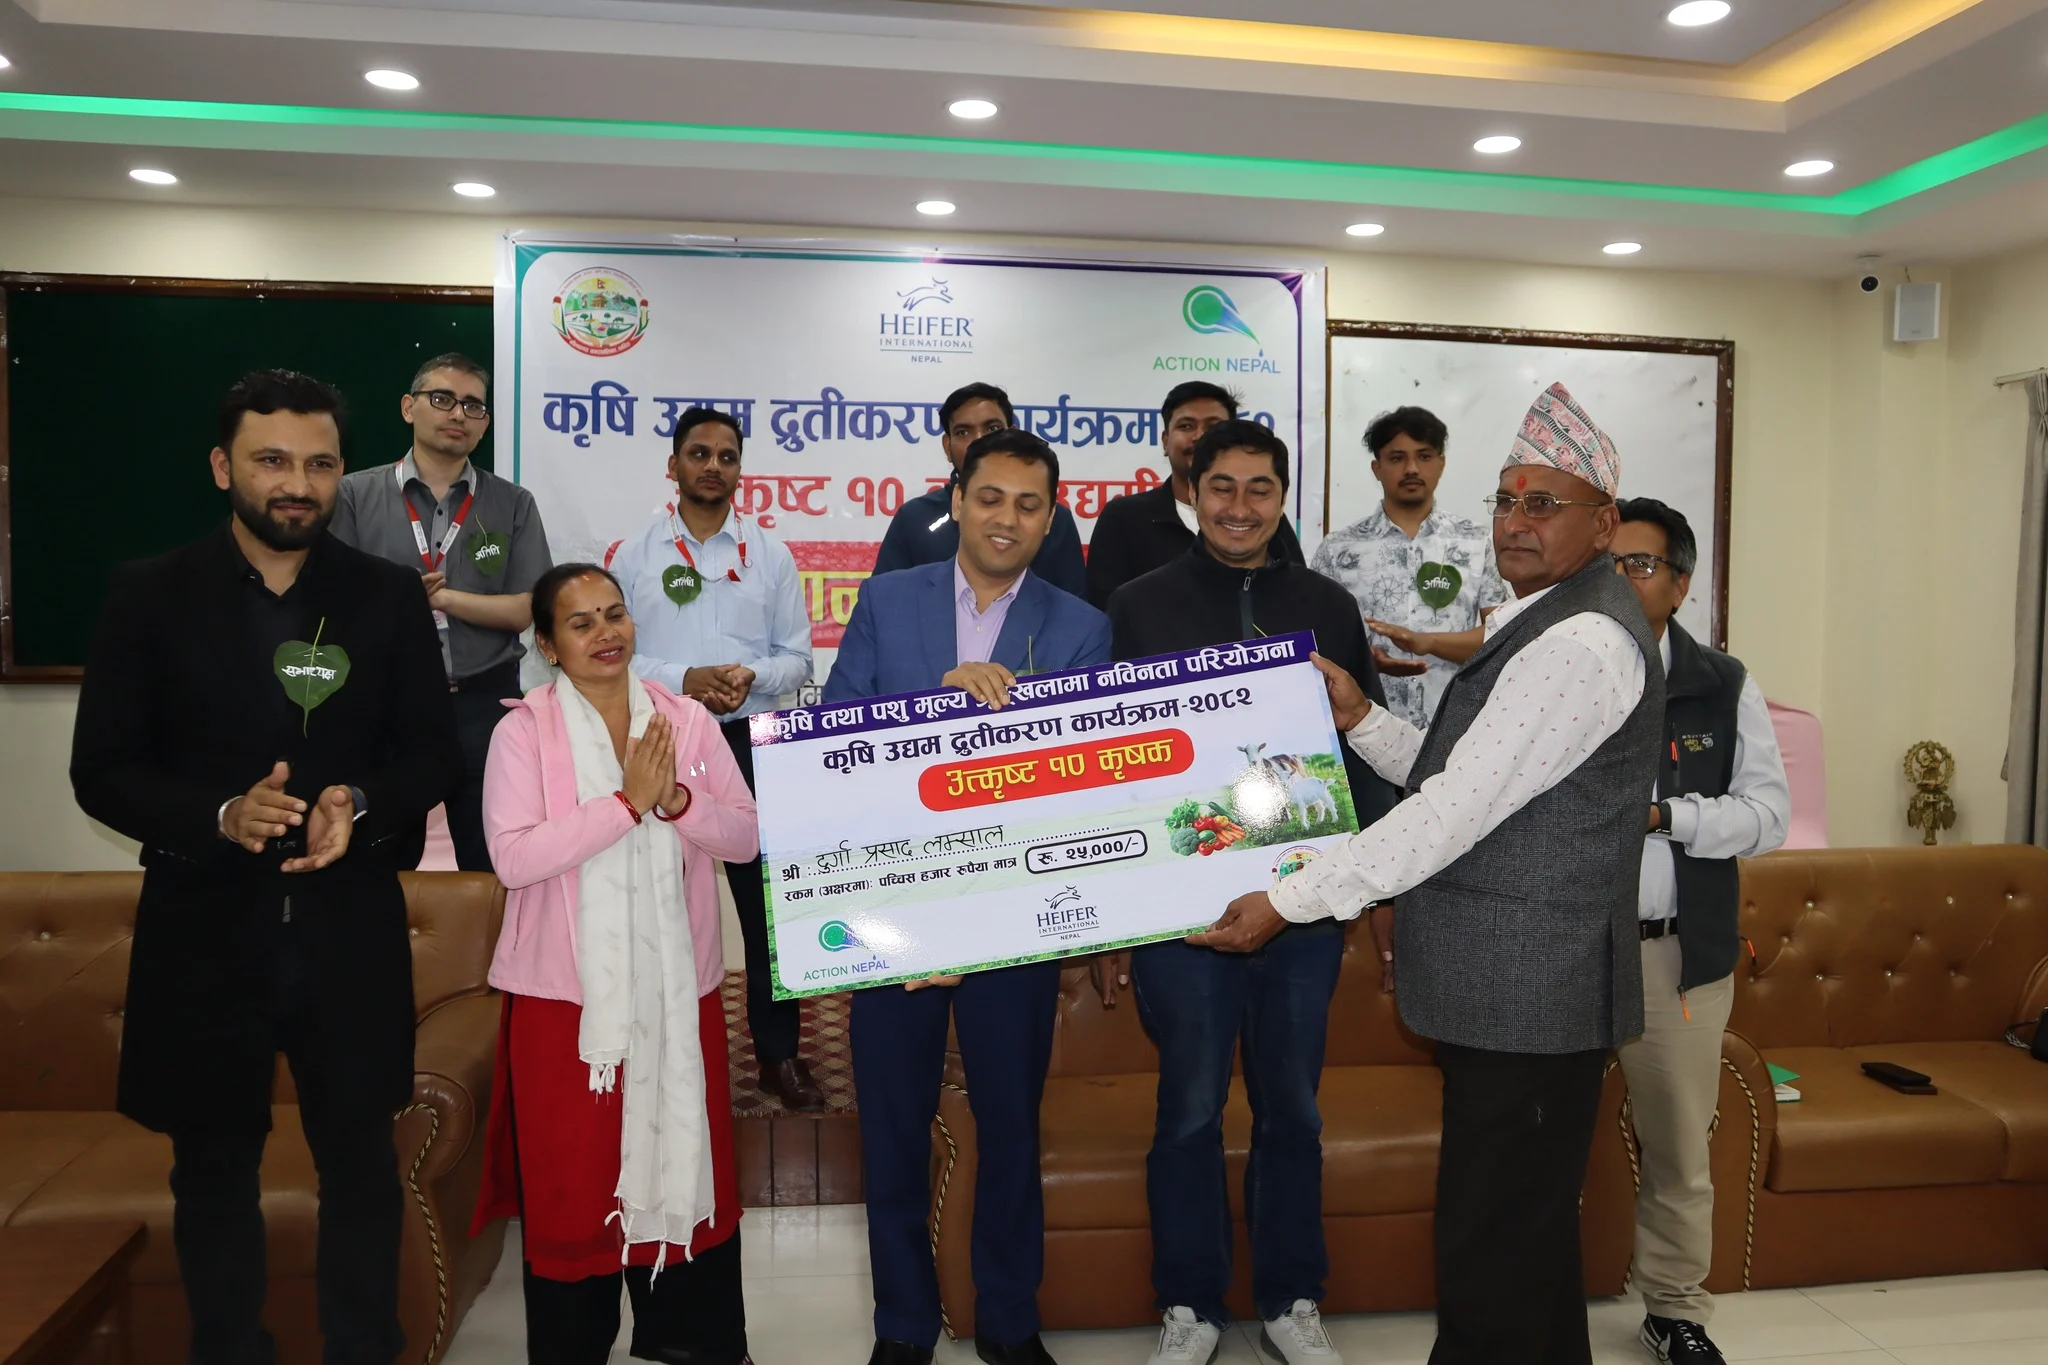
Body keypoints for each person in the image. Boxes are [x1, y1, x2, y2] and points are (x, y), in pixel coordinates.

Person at [1194, 382, 1665, 1365]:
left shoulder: (1577, 642)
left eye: (1545, 504)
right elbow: (1474, 778)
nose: (1516, 522)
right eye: (1506, 500)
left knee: (1492, 1253)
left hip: (1529, 994)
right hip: (1514, 993)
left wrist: (1288, 900)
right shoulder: (1544, 619)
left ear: (1603, 521)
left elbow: (1453, 810)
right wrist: (1360, 719)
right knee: (1526, 1249)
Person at [70, 369, 462, 1365]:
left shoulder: (384, 595)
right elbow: (102, 770)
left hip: (349, 932)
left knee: (362, 1168)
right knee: (211, 1173)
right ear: (222, 466)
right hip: (204, 935)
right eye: (272, 460)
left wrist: (356, 802)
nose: (298, 484)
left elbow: (432, 753)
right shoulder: (148, 593)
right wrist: (219, 814)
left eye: (320, 464)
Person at [1106, 419, 1399, 1365]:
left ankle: (1291, 1298)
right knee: (1188, 1110)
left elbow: (1363, 747)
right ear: (1192, 491)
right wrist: (1113, 905)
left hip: (1302, 911)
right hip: (1180, 913)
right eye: (1222, 487)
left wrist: (1376, 889)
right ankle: (1188, 1304)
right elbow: (1110, 763)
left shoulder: (1327, 605)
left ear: (1283, 497)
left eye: (1259, 488)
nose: (1240, 506)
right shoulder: (1137, 605)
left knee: (1293, 1112)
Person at [826, 429, 1111, 1365]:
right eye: (990, 497)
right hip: (895, 908)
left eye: (1029, 505)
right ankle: (902, 1325)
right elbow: (835, 737)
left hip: (1011, 914)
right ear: (956, 500)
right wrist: (938, 703)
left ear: (1051, 518)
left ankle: (1008, 1322)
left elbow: (1080, 777)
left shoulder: (1081, 626)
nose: (1006, 519)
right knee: (893, 1128)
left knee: (1010, 1125)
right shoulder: (887, 598)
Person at [471, 562, 760, 1365]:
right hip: (567, 1012)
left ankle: (693, 1342)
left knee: (686, 1164)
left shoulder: (685, 722)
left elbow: (746, 836)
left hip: (677, 997)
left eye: (615, 614)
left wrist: (679, 802)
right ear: (547, 645)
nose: (606, 634)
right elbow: (515, 858)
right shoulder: (522, 733)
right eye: (581, 622)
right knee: (574, 1191)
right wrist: (626, 804)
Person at [1612, 499, 1790, 1365]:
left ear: (1680, 583)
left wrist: (1666, 816)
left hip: (1674, 955)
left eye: (1639, 565)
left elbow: (1768, 815)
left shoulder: (1723, 682)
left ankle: (1675, 1308)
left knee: (1681, 1147)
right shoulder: (1556, 670)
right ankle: (1532, 1304)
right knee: (1538, 1140)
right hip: (1564, 951)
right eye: (1607, 565)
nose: (1621, 580)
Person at [611, 406, 822, 1112]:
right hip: (660, 742)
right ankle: (658, 1051)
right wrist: (686, 679)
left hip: (749, 743)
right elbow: (615, 656)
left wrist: (748, 676)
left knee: (766, 910)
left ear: (739, 470)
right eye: (698, 453)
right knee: (659, 900)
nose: (712, 466)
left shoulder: (770, 555)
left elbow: (798, 658)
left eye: (726, 456)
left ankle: (779, 1056)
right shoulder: (634, 556)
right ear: (673, 466)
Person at [331, 352, 554, 872]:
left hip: (484, 705)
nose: (458, 413)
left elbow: (526, 608)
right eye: (442, 399)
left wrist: (440, 598)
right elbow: (334, 601)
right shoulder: (353, 495)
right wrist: (396, 597)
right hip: (386, 704)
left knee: (491, 865)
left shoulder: (513, 503)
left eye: (473, 406)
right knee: (380, 862)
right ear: (409, 408)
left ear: (485, 424)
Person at [1311, 405, 1508, 730]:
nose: (1412, 468)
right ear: (1377, 467)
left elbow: (1502, 635)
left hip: (1457, 730)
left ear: (1441, 463)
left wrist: (1428, 642)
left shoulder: (1477, 542)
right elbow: (1315, 642)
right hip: (1363, 727)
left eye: (1424, 456)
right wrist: (1364, 660)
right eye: (1397, 458)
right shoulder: (1338, 549)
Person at [1085, 381, 1303, 606]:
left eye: (1213, 427)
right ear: (1165, 441)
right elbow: (1105, 610)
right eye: (1186, 426)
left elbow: (1297, 594)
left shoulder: (1262, 520)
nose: (1199, 436)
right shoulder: (1124, 517)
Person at [871, 381, 1088, 598]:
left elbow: (1074, 608)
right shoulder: (914, 518)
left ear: (1012, 434)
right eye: (963, 432)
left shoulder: (1056, 520)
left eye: (992, 429)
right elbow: (886, 602)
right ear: (947, 446)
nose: (980, 440)